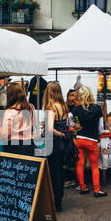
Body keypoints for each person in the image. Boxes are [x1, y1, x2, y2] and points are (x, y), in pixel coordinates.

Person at [70, 86, 108, 198]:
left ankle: (83, 188)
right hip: (92, 141)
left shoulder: (77, 109)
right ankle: (97, 190)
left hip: (80, 140)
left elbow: (67, 118)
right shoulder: (97, 109)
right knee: (94, 167)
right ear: (90, 94)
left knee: (80, 164)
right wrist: (99, 135)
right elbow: (101, 128)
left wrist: (74, 125)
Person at [43, 81, 69, 212]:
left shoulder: (51, 108)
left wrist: (58, 134)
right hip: (62, 143)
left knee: (53, 173)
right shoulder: (63, 106)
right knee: (59, 171)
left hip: (53, 142)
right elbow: (65, 124)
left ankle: (55, 202)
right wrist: (63, 134)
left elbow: (49, 128)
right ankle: (59, 199)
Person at [0, 82, 36, 156]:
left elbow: (5, 135)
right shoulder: (31, 108)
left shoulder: (9, 112)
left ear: (9, 96)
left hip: (14, 147)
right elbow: (33, 126)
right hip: (30, 144)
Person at [64, 89, 82, 188]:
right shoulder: (65, 107)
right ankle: (69, 179)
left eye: (75, 96)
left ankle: (77, 180)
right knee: (69, 157)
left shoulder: (78, 107)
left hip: (78, 135)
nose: (73, 98)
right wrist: (74, 125)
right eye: (71, 95)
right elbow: (65, 121)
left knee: (77, 158)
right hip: (69, 135)